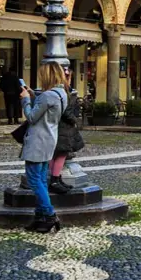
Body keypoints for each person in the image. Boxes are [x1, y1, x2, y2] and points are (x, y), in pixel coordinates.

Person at [20, 62, 68, 234]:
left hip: (37, 141)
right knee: (40, 179)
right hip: (49, 139)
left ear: (47, 76)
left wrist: (25, 99)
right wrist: (34, 95)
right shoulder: (61, 93)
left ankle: (49, 214)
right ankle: (40, 217)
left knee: (34, 180)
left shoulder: (47, 96)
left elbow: (32, 117)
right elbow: (46, 108)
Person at [49, 66, 85, 195]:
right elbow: (67, 111)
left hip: (62, 127)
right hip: (63, 127)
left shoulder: (63, 91)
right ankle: (54, 180)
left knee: (59, 154)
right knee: (59, 154)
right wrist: (75, 120)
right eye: (67, 76)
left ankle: (56, 179)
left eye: (69, 76)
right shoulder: (64, 92)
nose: (69, 79)